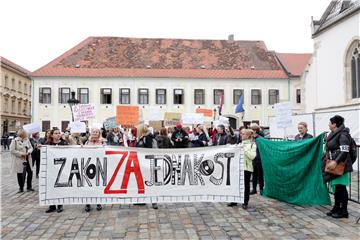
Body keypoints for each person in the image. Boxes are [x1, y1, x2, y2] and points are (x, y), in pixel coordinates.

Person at [323, 115, 353, 218]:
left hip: (341, 165)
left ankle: (344, 211)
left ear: (334, 124)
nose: (328, 124)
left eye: (330, 123)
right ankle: (336, 207)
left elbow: (344, 150)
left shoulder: (343, 134)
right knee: (336, 187)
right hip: (334, 164)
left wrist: (335, 162)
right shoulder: (333, 133)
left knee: (341, 187)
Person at [228, 128, 256, 209]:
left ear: (247, 136)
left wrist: (244, 149)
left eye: (242, 134)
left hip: (247, 168)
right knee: (236, 185)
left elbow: (252, 156)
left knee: (245, 186)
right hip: (238, 167)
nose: (241, 135)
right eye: (241, 134)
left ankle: (245, 202)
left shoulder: (252, 145)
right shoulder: (240, 143)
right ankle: (234, 200)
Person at [45, 128, 68, 213]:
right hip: (51, 169)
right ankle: (52, 205)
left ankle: (60, 205)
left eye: (59, 133)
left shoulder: (64, 143)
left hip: (61, 169)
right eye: (56, 133)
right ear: (52, 135)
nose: (58, 134)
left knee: (60, 187)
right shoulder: (48, 144)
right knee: (51, 187)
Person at [84, 127, 105, 212]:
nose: (95, 133)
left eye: (97, 132)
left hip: (99, 165)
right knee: (88, 185)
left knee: (97, 184)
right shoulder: (87, 142)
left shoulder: (103, 142)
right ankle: (87, 203)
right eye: (93, 132)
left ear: (99, 134)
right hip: (88, 166)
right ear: (91, 133)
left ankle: (98, 202)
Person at [137, 126, 158, 209]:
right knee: (144, 182)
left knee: (149, 182)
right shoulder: (145, 137)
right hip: (145, 163)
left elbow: (148, 151)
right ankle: (144, 200)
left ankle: (154, 202)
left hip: (147, 163)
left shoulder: (147, 138)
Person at [10, 129, 34, 193]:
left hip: (28, 159)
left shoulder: (27, 140)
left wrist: (29, 152)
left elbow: (31, 148)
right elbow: (12, 150)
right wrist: (21, 154)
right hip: (20, 160)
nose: (26, 134)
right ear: (22, 134)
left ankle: (29, 187)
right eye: (25, 133)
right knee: (20, 174)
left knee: (30, 172)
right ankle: (21, 188)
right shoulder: (14, 141)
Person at [250, 123, 264, 195]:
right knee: (254, 175)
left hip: (259, 159)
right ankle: (254, 189)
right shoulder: (251, 138)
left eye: (252, 129)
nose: (251, 131)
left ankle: (261, 189)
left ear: (255, 130)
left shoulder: (260, 139)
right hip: (253, 159)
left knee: (260, 175)